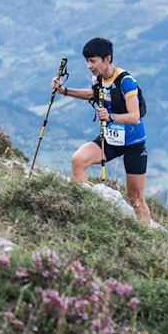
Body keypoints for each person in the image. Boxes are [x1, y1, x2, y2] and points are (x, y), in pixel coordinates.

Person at [52, 36, 151, 225]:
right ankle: (83, 215)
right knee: (78, 161)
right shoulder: (97, 78)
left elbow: (135, 117)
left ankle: (147, 236)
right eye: (87, 61)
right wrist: (64, 91)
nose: (89, 65)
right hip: (111, 139)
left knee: (135, 198)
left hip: (133, 142)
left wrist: (111, 116)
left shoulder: (126, 81)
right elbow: (93, 93)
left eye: (93, 61)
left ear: (107, 59)